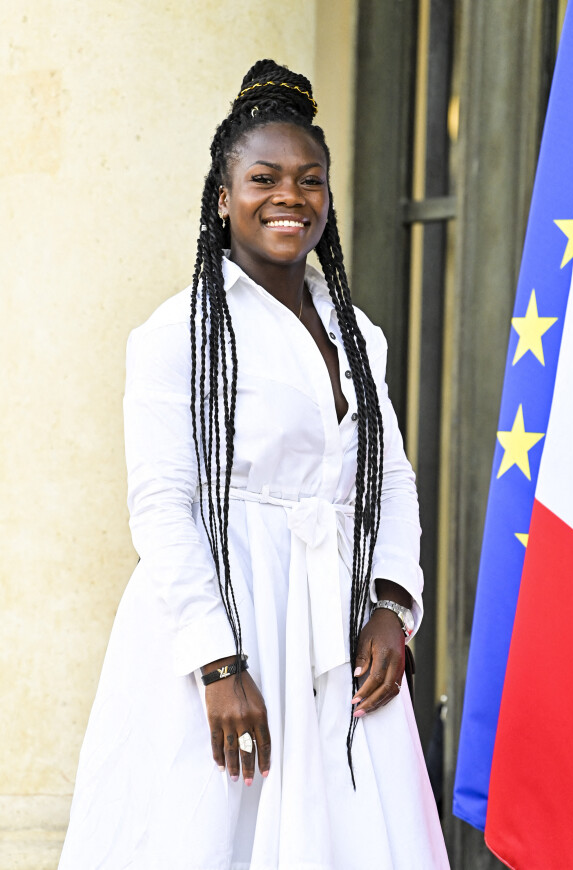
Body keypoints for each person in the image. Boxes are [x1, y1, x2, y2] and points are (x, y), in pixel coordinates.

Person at [59, 59, 449, 869]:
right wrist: (219, 664)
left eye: (310, 179)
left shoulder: (357, 333)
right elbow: (163, 505)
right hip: (232, 626)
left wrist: (390, 602)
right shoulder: (179, 334)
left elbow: (392, 480)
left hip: (338, 638)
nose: (290, 197)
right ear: (223, 193)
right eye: (264, 176)